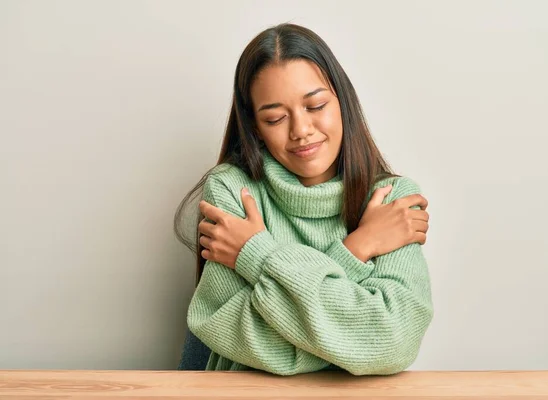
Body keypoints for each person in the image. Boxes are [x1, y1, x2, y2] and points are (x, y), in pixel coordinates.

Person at [173, 23, 433, 376]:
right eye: (275, 118)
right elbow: (232, 336)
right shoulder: (234, 190)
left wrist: (254, 252)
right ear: (254, 127)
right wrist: (358, 248)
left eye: (316, 105)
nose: (301, 130)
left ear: (344, 101)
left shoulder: (393, 201)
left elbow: (392, 342)